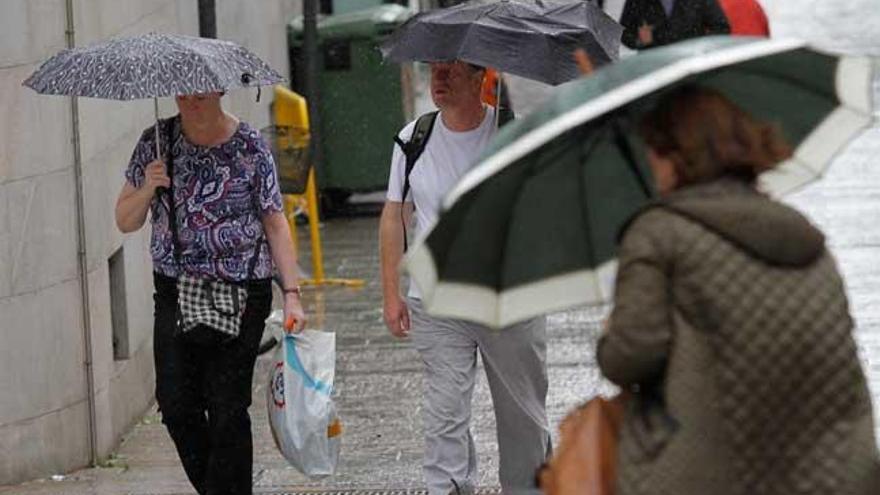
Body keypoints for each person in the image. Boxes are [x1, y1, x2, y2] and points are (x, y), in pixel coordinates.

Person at [598, 85, 880, 494]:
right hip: (832, 477)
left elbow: (628, 359)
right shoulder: (803, 236)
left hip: (709, 474)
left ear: (678, 156)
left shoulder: (658, 233)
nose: (651, 163)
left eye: (656, 151)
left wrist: (611, 331)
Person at [115, 92, 307, 495]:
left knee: (226, 406)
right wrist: (149, 185)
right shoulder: (156, 141)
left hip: (242, 290)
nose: (191, 101)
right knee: (176, 404)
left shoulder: (250, 146)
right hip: (175, 290)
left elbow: (274, 222)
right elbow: (124, 220)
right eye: (184, 92)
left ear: (219, 92)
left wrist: (292, 293)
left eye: (201, 93)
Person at [379, 60, 551, 495]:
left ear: (481, 79)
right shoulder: (413, 139)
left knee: (522, 420)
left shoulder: (515, 133)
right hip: (437, 301)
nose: (439, 79)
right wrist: (391, 293)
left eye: (452, 71)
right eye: (435, 70)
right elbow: (393, 216)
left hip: (506, 299)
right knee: (445, 413)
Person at [620, 0, 730, 49]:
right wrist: (639, 41)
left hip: (689, 64)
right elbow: (623, 32)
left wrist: (701, 45)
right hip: (654, 67)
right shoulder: (638, 1)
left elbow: (721, 27)